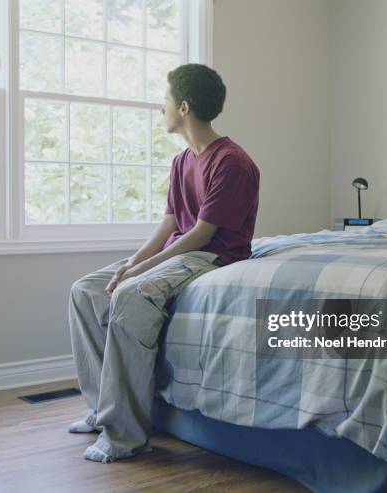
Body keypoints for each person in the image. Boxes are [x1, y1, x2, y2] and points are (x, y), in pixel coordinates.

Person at [68, 63, 260, 463]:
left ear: (185, 107)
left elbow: (202, 234)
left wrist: (138, 273)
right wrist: (133, 261)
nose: (162, 109)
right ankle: (103, 409)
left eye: (165, 102)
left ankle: (126, 435)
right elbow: (171, 224)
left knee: (133, 294)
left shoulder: (232, 162)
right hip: (182, 247)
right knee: (85, 290)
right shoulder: (181, 161)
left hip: (212, 255)